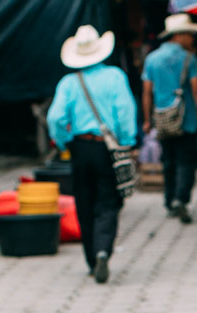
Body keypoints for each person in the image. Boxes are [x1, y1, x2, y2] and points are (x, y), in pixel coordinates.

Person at [47, 25, 137, 283]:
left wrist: (64, 143)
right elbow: (125, 112)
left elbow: (55, 118)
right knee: (108, 200)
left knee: (84, 201)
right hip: (107, 147)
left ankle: (91, 259)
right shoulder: (115, 76)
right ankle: (102, 250)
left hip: (80, 148)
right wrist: (127, 142)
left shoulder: (68, 83)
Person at [143, 14, 197, 224]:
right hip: (186, 119)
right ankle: (182, 199)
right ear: (179, 35)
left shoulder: (152, 58)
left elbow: (147, 91)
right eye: (190, 34)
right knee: (187, 161)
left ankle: (169, 200)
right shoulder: (188, 59)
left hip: (163, 118)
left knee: (169, 161)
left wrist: (147, 120)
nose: (193, 39)